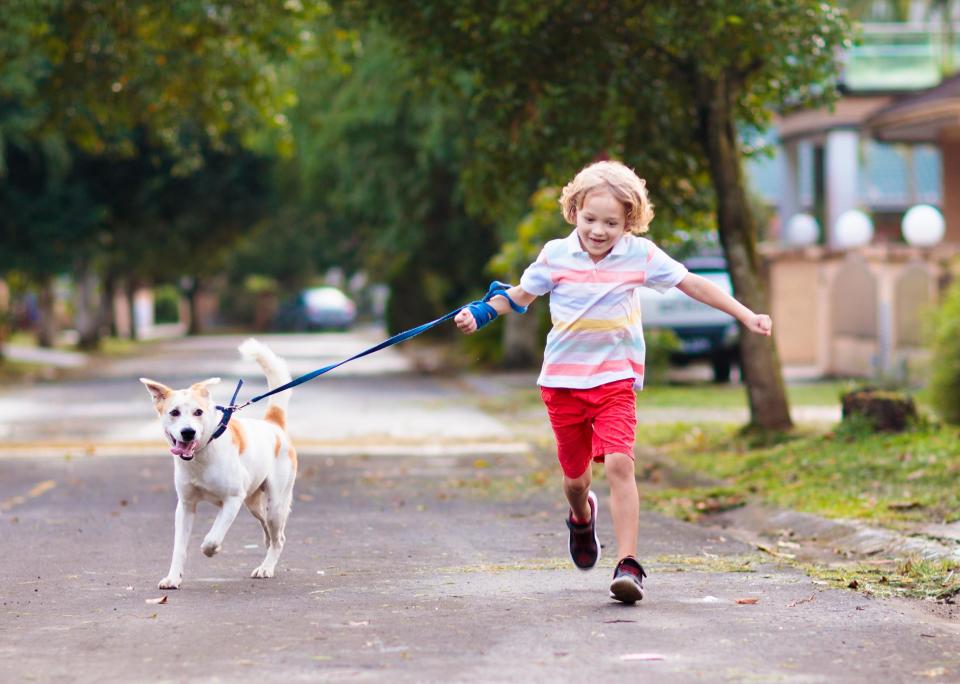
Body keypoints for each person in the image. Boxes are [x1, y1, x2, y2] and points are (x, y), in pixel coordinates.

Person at [455, 160, 772, 604]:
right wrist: (482, 312)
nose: (599, 231)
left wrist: (745, 314)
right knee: (575, 482)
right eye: (590, 219)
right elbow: (519, 296)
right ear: (574, 212)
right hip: (563, 385)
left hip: (615, 381)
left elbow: (691, 283)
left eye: (611, 222)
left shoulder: (639, 255)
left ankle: (629, 565)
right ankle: (581, 519)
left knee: (621, 463)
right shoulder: (555, 255)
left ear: (629, 222)